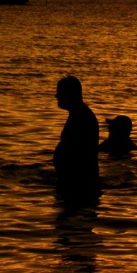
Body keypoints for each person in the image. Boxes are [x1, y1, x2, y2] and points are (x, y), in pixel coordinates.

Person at [53, 75, 100, 204]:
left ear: (70, 94)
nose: (56, 96)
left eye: (60, 92)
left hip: (78, 182)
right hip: (73, 180)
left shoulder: (82, 117)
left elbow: (79, 153)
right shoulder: (78, 114)